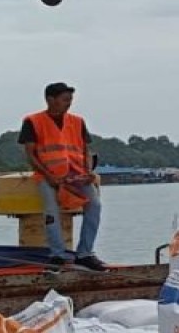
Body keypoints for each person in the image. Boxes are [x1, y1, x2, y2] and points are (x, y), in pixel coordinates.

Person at [19, 82, 107, 271]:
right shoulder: (33, 121)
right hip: (48, 175)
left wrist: (88, 172)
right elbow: (30, 154)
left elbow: (84, 150)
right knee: (51, 212)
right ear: (50, 100)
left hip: (77, 174)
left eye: (70, 100)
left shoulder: (77, 121)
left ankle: (85, 253)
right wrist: (48, 175)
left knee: (95, 205)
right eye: (65, 100)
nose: (68, 104)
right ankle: (57, 255)